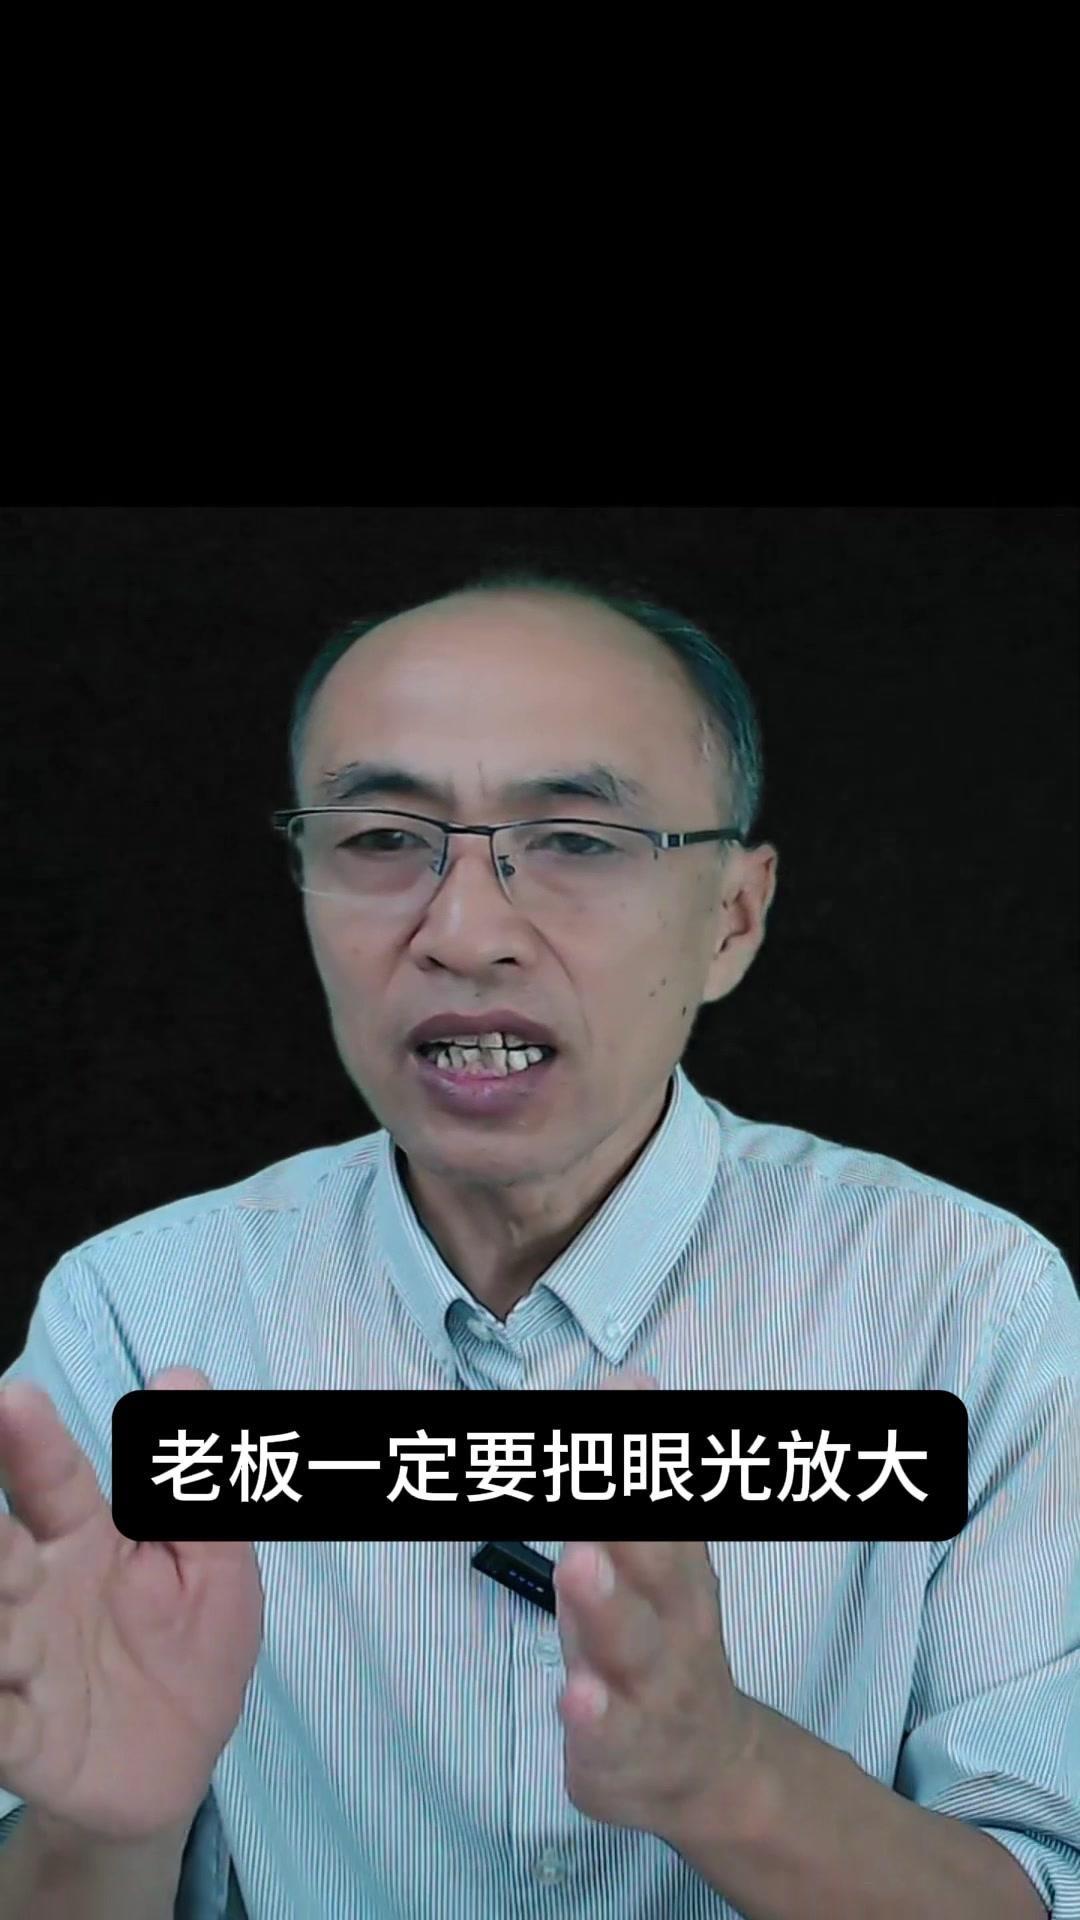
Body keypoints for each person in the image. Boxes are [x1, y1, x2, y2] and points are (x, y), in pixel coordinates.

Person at [1, 569, 1077, 1920]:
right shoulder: (137, 1311)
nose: (464, 934)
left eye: (575, 839)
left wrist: (730, 1778)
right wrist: (105, 1832)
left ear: (733, 919)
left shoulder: (968, 1302)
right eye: (381, 837)